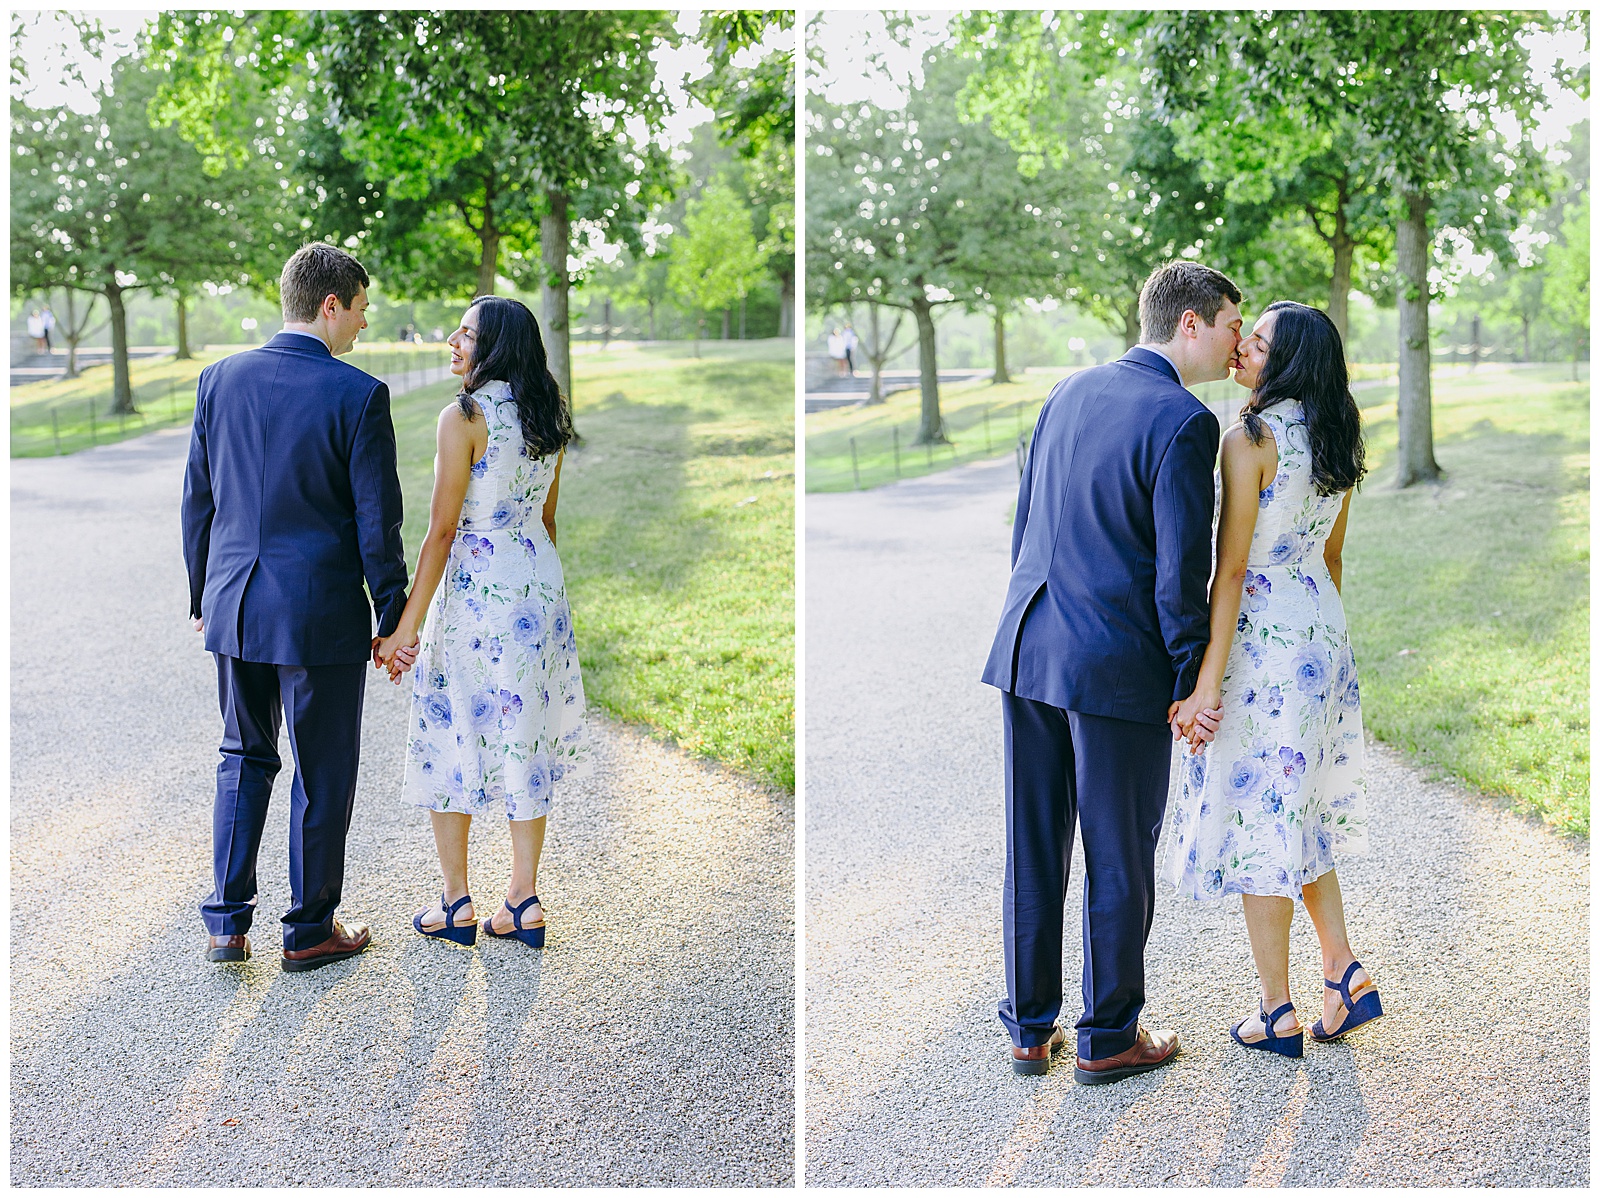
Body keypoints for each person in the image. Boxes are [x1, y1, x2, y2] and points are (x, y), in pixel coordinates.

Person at [981, 261, 1242, 1082]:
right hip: (1115, 670)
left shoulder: (1067, 388)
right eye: (1232, 323)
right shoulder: (1184, 420)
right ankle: (1108, 1036)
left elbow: (1024, 526)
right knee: (1120, 851)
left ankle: (1028, 1029)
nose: (1238, 342)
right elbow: (1178, 579)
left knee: (1033, 846)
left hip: (1028, 652)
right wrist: (1187, 684)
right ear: (1190, 323)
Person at [182, 242, 410, 972]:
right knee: (322, 770)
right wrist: (392, 614)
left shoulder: (219, 380)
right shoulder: (358, 395)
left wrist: (201, 595)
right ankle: (310, 929)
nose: (364, 328)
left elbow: (199, 501)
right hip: (319, 619)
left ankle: (226, 924)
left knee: (241, 757)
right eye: (362, 311)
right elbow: (380, 524)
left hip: (233, 608)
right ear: (331, 305)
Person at [1165, 301, 1380, 1057]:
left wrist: (1207, 683)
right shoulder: (1335, 435)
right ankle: (1342, 972)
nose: (1243, 349)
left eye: (1257, 342)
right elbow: (1333, 558)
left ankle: (1277, 1010)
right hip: (1320, 632)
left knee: (1262, 816)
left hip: (1263, 638)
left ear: (1285, 362)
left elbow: (1230, 569)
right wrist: (1316, 651)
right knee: (1303, 807)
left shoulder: (1249, 438)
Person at [376, 295, 591, 951]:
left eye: (465, 334)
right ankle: (524, 900)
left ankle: (455, 902)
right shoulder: (546, 413)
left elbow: (441, 532)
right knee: (525, 737)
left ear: (493, 345)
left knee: (452, 730)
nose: (451, 340)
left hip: (477, 591)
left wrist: (405, 628)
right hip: (537, 586)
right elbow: (548, 520)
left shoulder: (464, 416)